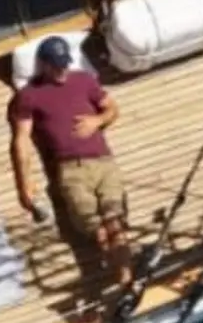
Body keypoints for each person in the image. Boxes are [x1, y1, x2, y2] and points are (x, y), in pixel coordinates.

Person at [9, 36, 133, 289]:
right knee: (95, 228)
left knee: (116, 223)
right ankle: (118, 277)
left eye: (64, 64)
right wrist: (24, 182)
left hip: (103, 161)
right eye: (56, 65)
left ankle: (126, 281)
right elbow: (21, 139)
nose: (62, 70)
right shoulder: (29, 96)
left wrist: (96, 121)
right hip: (70, 168)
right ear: (43, 65)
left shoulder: (84, 80)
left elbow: (112, 109)